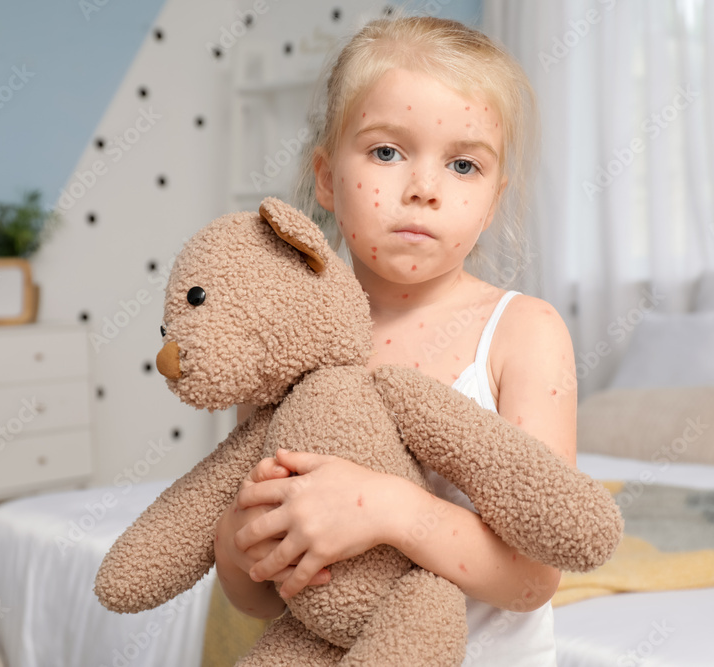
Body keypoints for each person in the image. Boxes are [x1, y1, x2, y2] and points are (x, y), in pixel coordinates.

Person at [213, 14, 575, 666]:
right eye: (386, 152)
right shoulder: (287, 349)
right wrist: (240, 543)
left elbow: (533, 576)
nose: (423, 189)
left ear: (493, 200)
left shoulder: (524, 332)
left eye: (464, 164)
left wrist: (390, 511)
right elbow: (262, 597)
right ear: (325, 176)